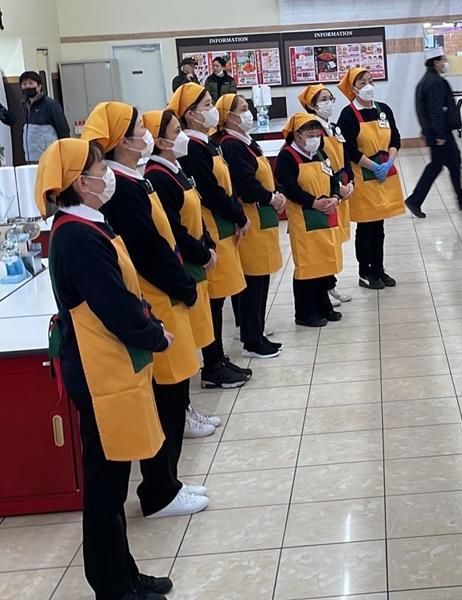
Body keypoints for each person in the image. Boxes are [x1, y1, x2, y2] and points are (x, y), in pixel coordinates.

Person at [36, 138, 174, 600]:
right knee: (104, 486)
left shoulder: (86, 224)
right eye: (100, 169)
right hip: (98, 375)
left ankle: (125, 573)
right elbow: (113, 305)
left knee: (113, 481)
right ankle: (112, 585)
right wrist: (154, 334)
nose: (108, 175)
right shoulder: (77, 236)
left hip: (110, 367)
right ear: (81, 182)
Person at [82, 101, 209, 519]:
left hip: (167, 295)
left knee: (174, 395)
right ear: (122, 140)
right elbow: (149, 250)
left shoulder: (135, 180)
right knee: (166, 401)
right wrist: (184, 286)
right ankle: (159, 490)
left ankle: (169, 480)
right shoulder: (123, 189)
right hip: (158, 297)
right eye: (140, 128)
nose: (147, 134)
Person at [142, 109, 221, 439]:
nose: (184, 135)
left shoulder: (176, 170)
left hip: (193, 262)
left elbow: (195, 212)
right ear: (160, 141)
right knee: (181, 350)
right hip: (181, 268)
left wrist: (208, 244)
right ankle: (182, 413)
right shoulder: (157, 177)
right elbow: (171, 231)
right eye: (177, 131)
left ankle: (186, 408)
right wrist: (201, 253)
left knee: (192, 342)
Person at [168, 82, 252, 388]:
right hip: (212, 226)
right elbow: (211, 191)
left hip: (223, 226)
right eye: (206, 105)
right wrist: (238, 215)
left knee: (219, 297)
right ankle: (212, 365)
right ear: (190, 114)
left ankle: (218, 357)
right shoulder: (192, 147)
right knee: (213, 300)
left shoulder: (207, 143)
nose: (212, 108)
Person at [214, 93, 284, 358]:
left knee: (261, 276)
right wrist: (270, 197)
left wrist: (274, 193)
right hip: (249, 216)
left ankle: (256, 330)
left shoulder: (246, 141)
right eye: (243, 109)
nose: (249, 113)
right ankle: (251, 340)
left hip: (261, 215)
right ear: (229, 117)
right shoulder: (231, 145)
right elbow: (245, 184)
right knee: (253, 279)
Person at [337, 68, 404, 290]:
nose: (368, 86)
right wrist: (373, 166)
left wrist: (389, 162)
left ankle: (379, 269)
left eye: (370, 81)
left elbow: (395, 138)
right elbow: (348, 149)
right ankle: (365, 272)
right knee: (366, 226)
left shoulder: (383, 110)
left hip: (384, 176)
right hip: (363, 177)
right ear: (353, 89)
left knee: (379, 227)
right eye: (362, 83)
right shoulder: (348, 115)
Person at [275, 113, 344, 327]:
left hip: (325, 215)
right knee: (307, 265)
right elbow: (289, 188)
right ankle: (305, 313)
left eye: (317, 134)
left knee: (324, 261)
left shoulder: (320, 153)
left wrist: (335, 197)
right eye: (310, 134)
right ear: (297, 135)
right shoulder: (287, 156)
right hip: (303, 218)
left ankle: (324, 306)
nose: (315, 138)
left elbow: (333, 178)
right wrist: (313, 202)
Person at [298, 83, 354, 306]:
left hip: (340, 187)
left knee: (335, 239)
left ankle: (331, 284)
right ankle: (328, 287)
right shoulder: (311, 132)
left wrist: (350, 181)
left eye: (330, 98)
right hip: (327, 190)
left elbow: (344, 156)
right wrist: (336, 186)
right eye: (323, 99)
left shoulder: (334, 127)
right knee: (325, 242)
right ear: (312, 105)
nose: (328, 103)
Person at [405, 47, 462, 218]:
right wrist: (439, 135)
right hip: (440, 134)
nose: (445, 63)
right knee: (435, 166)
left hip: (436, 132)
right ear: (435, 62)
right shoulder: (434, 82)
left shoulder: (428, 80)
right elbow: (436, 110)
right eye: (443, 60)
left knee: (453, 162)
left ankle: (461, 198)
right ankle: (414, 200)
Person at [20, 70, 70, 163]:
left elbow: (63, 130)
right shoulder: (24, 105)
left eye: (31, 83)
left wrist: (65, 154)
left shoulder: (50, 104)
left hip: (49, 158)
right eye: (24, 84)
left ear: (39, 86)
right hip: (31, 158)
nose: (27, 86)